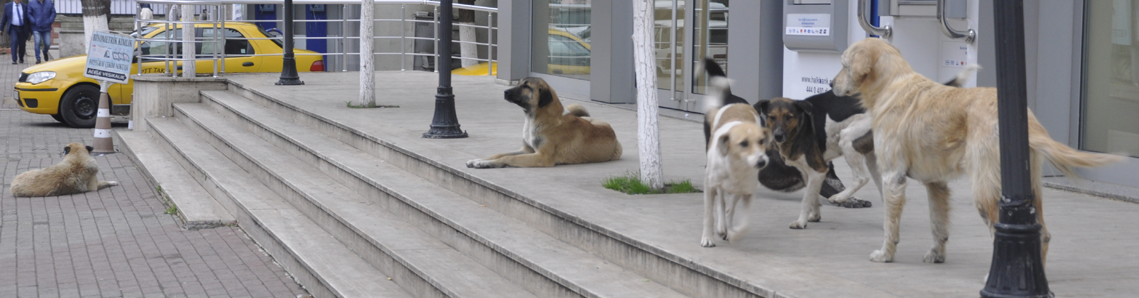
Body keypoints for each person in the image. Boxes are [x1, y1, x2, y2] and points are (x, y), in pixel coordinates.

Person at [1, 0, 31, 64]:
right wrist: (1, 29)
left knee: (22, 44)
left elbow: (28, 19)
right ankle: (14, 59)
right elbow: (4, 18)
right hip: (13, 28)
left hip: (22, 28)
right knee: (14, 41)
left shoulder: (25, 6)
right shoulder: (8, 6)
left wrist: (30, 30)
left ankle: (21, 58)